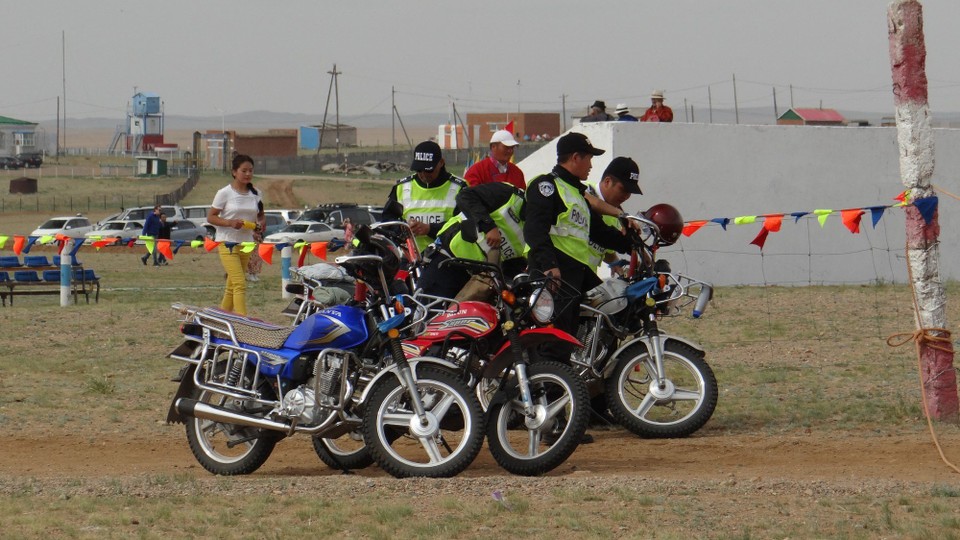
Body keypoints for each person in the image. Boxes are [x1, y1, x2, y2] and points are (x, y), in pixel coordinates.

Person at [523, 132, 632, 361]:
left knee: (575, 335)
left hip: (574, 275)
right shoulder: (547, 186)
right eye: (589, 158)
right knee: (555, 343)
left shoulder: (577, 194)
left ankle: (569, 388)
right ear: (575, 157)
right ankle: (541, 391)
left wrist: (632, 242)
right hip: (554, 273)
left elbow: (599, 232)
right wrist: (549, 266)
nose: (591, 165)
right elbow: (535, 230)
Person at [382, 140, 466, 252]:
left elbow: (465, 225)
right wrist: (402, 229)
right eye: (419, 170)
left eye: (428, 170)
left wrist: (430, 229)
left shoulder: (459, 188)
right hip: (410, 257)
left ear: (441, 163)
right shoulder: (402, 187)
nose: (423, 174)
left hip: (446, 258)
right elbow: (387, 220)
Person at [207, 154, 265, 316]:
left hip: (246, 244)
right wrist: (230, 223)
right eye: (244, 170)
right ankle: (242, 322)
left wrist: (259, 225)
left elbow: (260, 215)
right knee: (240, 283)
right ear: (234, 172)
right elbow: (211, 217)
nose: (247, 174)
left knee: (232, 286)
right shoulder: (224, 193)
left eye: (250, 171)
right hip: (227, 243)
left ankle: (220, 318)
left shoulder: (256, 193)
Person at [585, 157, 642, 272]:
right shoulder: (583, 190)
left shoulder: (617, 218)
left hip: (584, 281)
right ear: (607, 182)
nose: (626, 196)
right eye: (623, 189)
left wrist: (617, 264)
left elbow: (605, 249)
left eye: (630, 192)